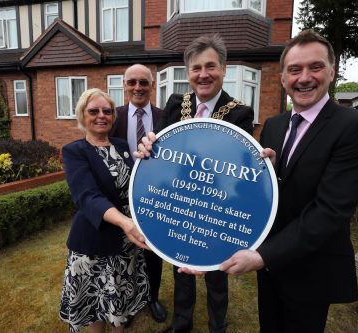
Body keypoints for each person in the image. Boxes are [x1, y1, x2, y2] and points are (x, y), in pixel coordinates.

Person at [218, 30, 358, 332]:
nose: (304, 77)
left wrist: (262, 256)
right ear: (283, 78)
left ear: (332, 72)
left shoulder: (357, 127)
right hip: (270, 268)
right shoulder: (274, 125)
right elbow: (262, 191)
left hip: (311, 269)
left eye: (315, 67)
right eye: (295, 69)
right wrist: (209, 245)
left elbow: (331, 210)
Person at [136, 34, 254, 333]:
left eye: (211, 66)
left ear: (224, 69)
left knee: (216, 269)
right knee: (181, 265)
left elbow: (235, 162)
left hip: (216, 202)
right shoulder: (177, 103)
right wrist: (148, 144)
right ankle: (182, 321)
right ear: (188, 73)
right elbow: (160, 148)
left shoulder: (240, 111)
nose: (203, 75)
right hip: (179, 198)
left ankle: (217, 325)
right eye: (196, 68)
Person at [59, 88, 150, 333]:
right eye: (94, 111)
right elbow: (87, 196)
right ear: (82, 116)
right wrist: (124, 221)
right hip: (93, 240)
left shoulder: (121, 146)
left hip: (125, 241)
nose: (102, 116)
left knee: (119, 300)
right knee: (93, 304)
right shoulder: (74, 151)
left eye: (107, 111)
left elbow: (137, 185)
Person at [110, 64, 167, 323]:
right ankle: (129, 302)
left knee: (153, 251)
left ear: (152, 85)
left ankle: (152, 297)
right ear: (124, 85)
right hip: (120, 198)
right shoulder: (112, 117)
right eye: (131, 82)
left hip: (157, 195)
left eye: (143, 82)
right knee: (125, 253)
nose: (137, 87)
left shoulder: (166, 117)